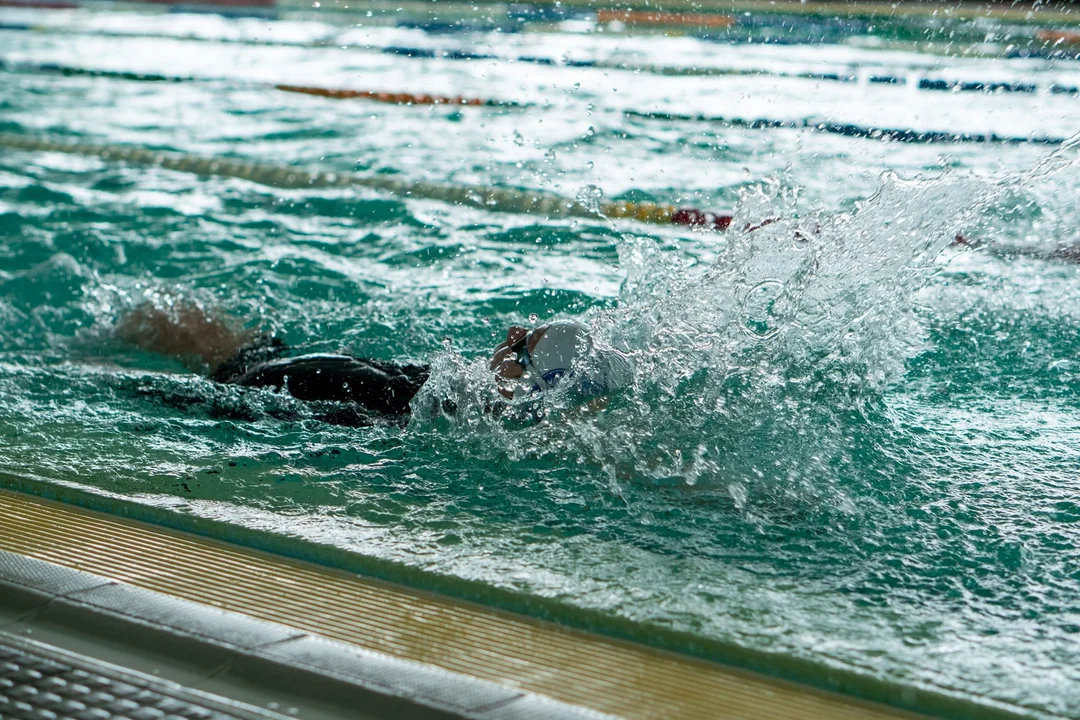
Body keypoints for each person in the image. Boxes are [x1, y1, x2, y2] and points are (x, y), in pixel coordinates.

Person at [116, 300, 619, 426]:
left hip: (262, 381)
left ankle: (88, 356)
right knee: (168, 317)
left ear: (524, 386)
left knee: (164, 324)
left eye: (522, 346)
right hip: (311, 371)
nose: (510, 336)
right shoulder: (452, 399)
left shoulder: (423, 410)